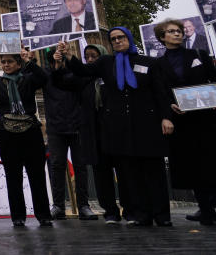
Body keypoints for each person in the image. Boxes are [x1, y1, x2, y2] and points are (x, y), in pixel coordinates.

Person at [60, 26, 173, 227]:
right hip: (120, 127)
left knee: (154, 172)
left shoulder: (148, 62)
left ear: (129, 38)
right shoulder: (106, 63)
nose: (117, 41)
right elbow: (83, 70)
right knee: (131, 174)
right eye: (113, 39)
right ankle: (141, 214)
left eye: (121, 37)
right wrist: (68, 55)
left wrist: (166, 117)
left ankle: (162, 215)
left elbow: (160, 92)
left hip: (147, 125)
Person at [0, 47, 53, 227]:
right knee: (13, 176)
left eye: (10, 61)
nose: (6, 64)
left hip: (30, 131)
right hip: (7, 133)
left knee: (37, 176)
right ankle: (18, 217)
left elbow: (44, 78)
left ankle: (43, 215)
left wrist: (29, 61)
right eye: (3, 62)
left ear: (18, 64)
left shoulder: (28, 79)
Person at [53, 44, 127, 223]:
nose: (91, 60)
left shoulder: (115, 76)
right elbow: (60, 82)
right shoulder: (82, 79)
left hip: (116, 131)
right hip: (94, 133)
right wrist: (58, 64)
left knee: (124, 172)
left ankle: (130, 208)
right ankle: (110, 211)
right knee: (101, 173)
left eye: (95, 56)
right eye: (87, 57)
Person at [152, 18, 216, 226]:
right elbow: (160, 92)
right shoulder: (159, 64)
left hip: (206, 117)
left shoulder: (199, 54)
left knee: (211, 161)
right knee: (194, 166)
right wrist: (167, 110)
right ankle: (206, 209)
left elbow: (213, 79)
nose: (177, 34)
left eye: (179, 31)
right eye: (171, 31)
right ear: (162, 37)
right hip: (182, 120)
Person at [41, 49, 99, 220]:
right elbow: (32, 75)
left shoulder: (77, 75)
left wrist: (67, 56)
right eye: (53, 60)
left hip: (77, 126)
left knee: (81, 166)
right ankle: (58, 205)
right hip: (55, 127)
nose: (57, 63)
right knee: (57, 165)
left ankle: (83, 205)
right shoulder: (46, 76)